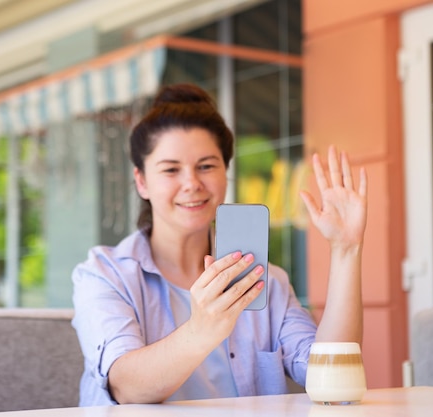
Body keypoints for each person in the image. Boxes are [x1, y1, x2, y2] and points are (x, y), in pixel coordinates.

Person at [71, 83, 368, 406]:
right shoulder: (103, 275)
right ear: (142, 181)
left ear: (226, 172)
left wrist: (345, 250)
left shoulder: (267, 281)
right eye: (171, 169)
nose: (192, 184)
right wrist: (203, 328)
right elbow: (127, 388)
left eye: (206, 166)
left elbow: (329, 377)